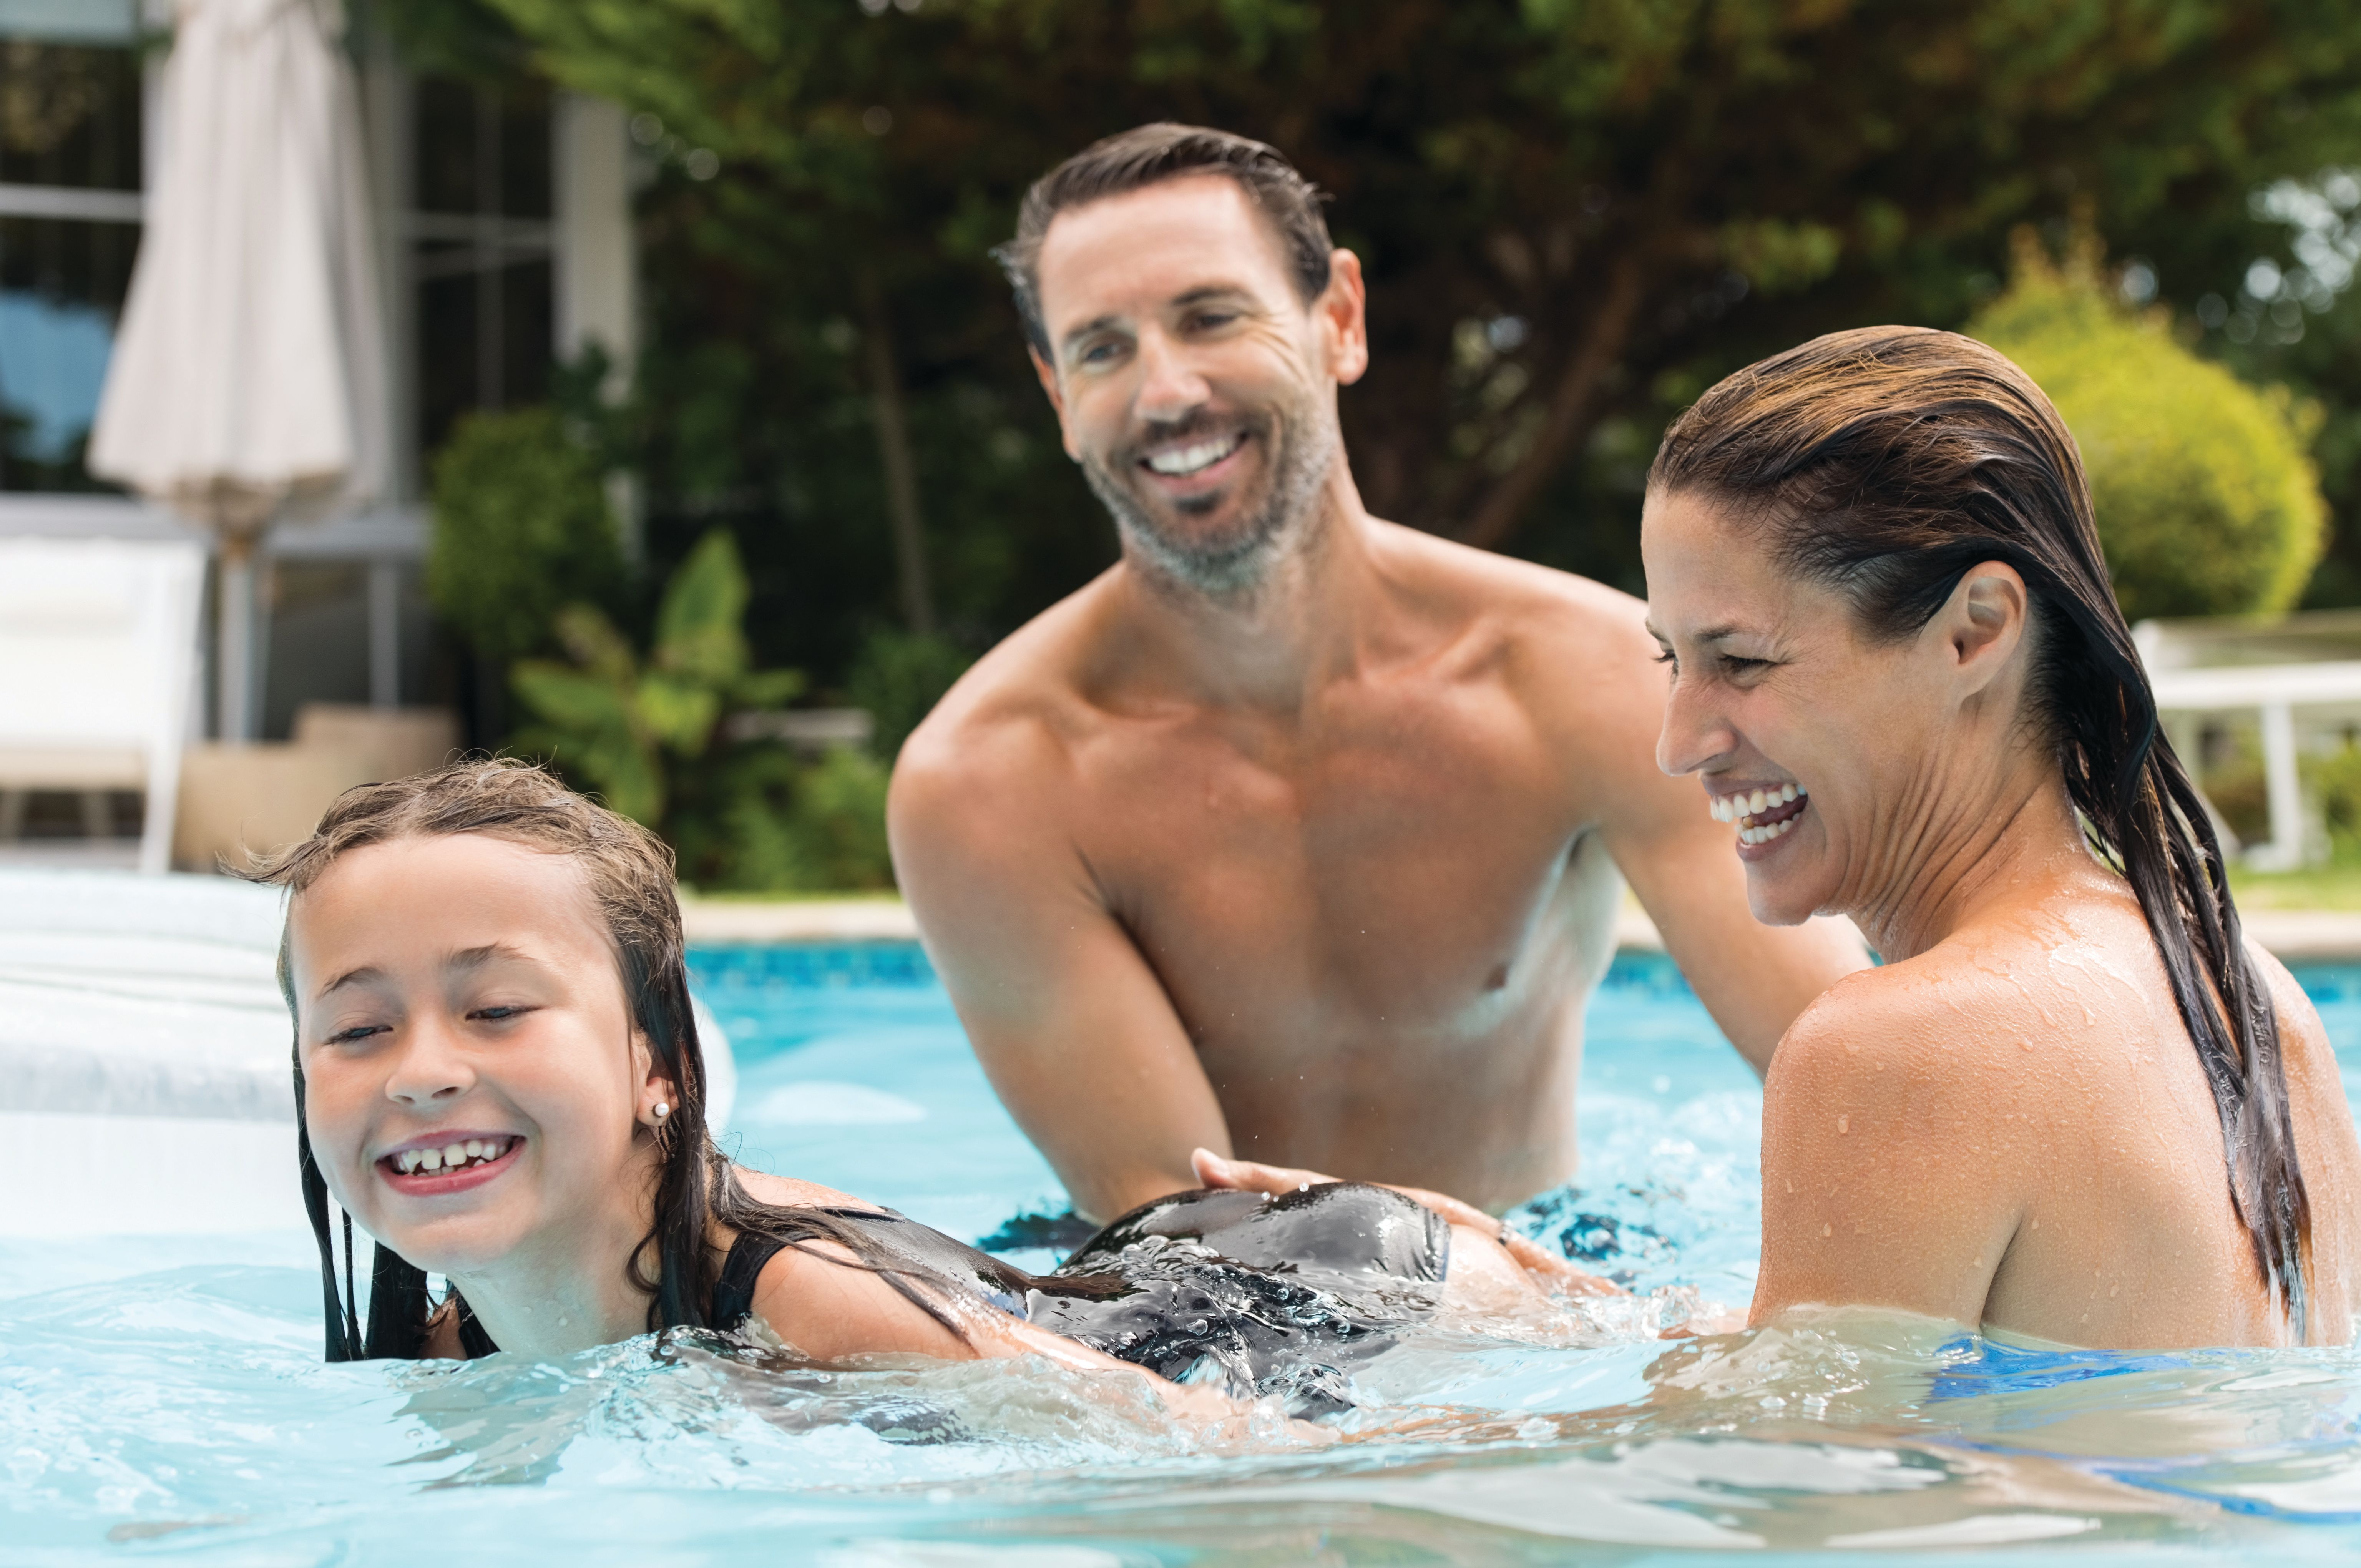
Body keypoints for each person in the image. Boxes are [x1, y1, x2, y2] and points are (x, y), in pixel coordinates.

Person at [887, 123, 1868, 1226]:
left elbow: (1863, 1092)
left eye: (1211, 317)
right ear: (1059, 397)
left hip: (1560, 1283)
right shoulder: (991, 786)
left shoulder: (1589, 680)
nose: (1166, 392)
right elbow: (1182, 1242)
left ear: (1340, 320)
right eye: (1102, 349)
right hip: (1234, 1317)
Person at [260, 760, 1598, 1412]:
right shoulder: (452, 1341)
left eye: (497, 1009)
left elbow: (1203, 1451)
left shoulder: (799, 1300)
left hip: (1327, 1293)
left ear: (657, 1062)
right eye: (359, 1029)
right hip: (1118, 1274)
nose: (423, 1074)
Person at [1634, 324, 2361, 1346]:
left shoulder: (1892, 1053)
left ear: (1975, 630)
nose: (1678, 745)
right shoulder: (2256, 1002)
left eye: (1742, 663)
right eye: (1671, 660)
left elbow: (1806, 1451)